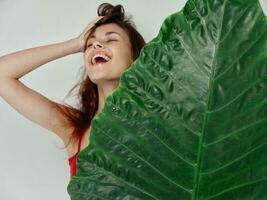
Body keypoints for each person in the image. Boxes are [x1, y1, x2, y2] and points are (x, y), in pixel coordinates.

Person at [0, 3, 145, 178]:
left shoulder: (162, 123)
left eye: (111, 39)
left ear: (134, 56)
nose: (96, 45)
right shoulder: (74, 130)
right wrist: (75, 43)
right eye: (90, 43)